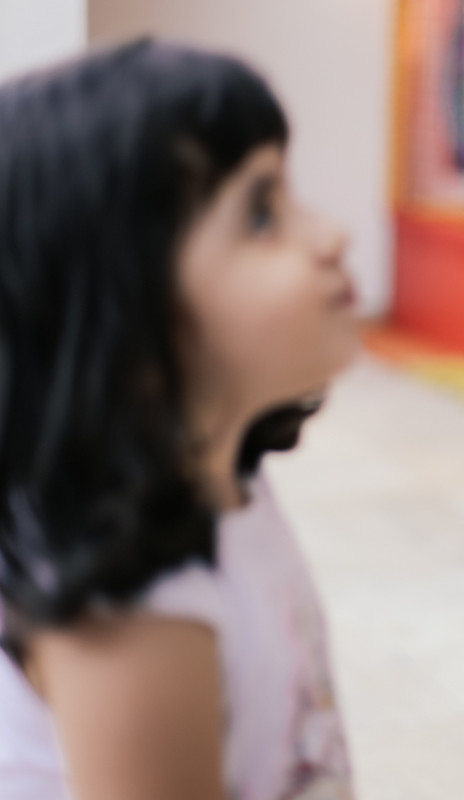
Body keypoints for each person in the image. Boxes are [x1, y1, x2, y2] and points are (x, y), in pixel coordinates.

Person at [0, 40, 359, 799]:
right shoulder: (130, 604)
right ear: (121, 319)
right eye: (262, 214)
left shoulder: (222, 482)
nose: (331, 235)